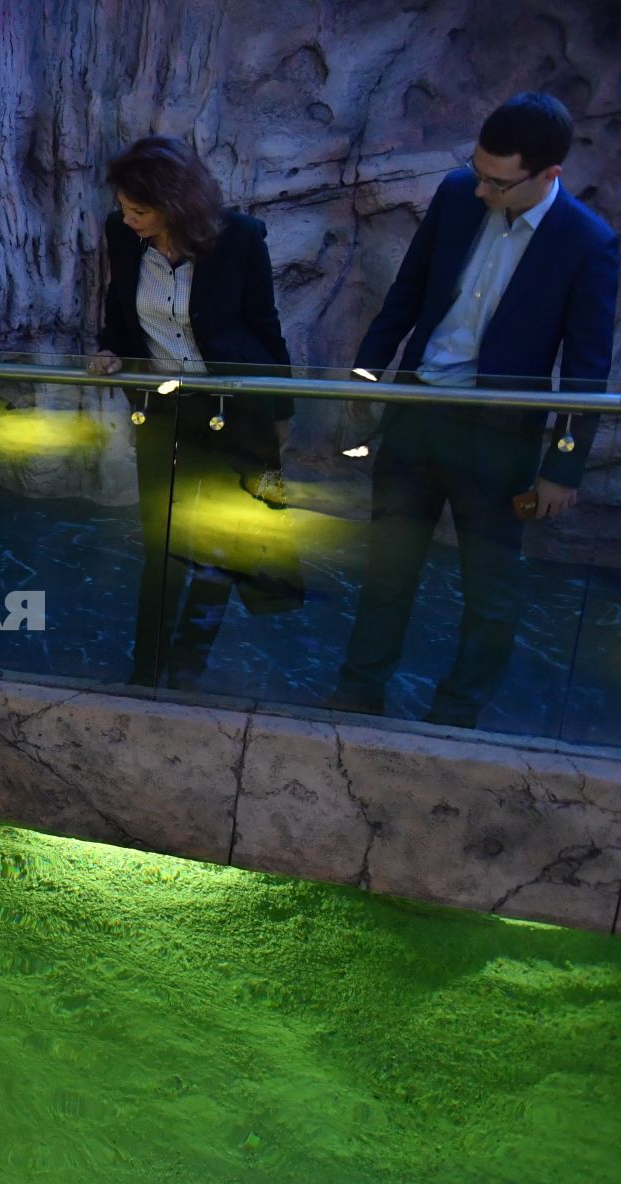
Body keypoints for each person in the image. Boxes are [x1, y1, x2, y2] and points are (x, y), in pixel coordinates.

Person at [331, 92, 618, 728]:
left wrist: (562, 467)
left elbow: (586, 370)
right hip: (417, 415)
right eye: (478, 171)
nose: (481, 189)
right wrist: (362, 384)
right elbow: (405, 296)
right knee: (388, 570)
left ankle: (455, 716)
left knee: (490, 591)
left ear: (549, 175)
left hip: (497, 438)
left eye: (498, 181)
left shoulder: (587, 244)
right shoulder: (457, 194)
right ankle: (355, 698)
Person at [91, 135, 302, 688]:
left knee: (218, 544)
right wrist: (110, 348)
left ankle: (188, 664)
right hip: (163, 409)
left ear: (177, 207)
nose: (126, 218)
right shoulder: (122, 234)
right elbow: (120, 304)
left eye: (139, 209)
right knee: (161, 543)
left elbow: (265, 325)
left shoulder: (240, 240)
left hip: (235, 407)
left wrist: (282, 408)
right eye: (123, 207)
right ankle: (147, 668)